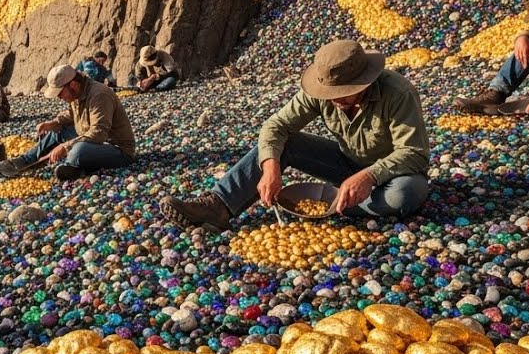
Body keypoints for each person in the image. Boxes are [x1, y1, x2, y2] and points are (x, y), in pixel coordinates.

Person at [159, 39, 430, 231]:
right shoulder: (322, 90)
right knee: (280, 145)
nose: (333, 100)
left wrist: (369, 175)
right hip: (345, 163)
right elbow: (275, 127)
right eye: (329, 94)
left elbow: (413, 154)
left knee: (406, 194)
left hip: (392, 174)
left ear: (365, 83)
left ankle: (330, 202)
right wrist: (270, 168)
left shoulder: (398, 93)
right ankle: (219, 205)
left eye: (341, 93)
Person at [0, 64, 136, 181]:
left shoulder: (99, 95)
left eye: (60, 93)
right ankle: (23, 162)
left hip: (117, 149)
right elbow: (72, 114)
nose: (59, 97)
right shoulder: (79, 92)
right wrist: (53, 123)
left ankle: (72, 167)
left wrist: (65, 146)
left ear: (72, 85)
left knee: (77, 151)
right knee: (57, 131)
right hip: (92, 139)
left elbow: (99, 133)